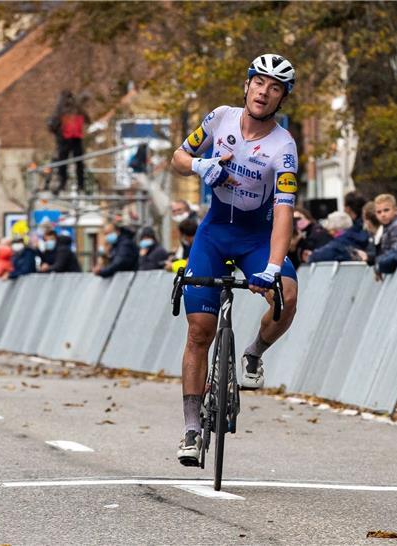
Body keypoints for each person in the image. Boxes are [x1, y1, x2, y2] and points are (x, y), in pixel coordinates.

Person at [169, 53, 300, 466]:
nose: (264, 91)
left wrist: (274, 267)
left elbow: (283, 211)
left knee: (289, 295)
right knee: (199, 332)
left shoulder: (284, 146)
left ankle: (255, 351)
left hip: (255, 238)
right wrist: (200, 165)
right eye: (259, 82)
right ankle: (191, 428)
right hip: (213, 235)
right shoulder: (219, 118)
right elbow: (176, 158)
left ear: (282, 98)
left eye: (275, 87)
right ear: (247, 85)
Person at [306, 191, 372, 263]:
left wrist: (311, 256)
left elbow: (332, 249)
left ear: (348, 208)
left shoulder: (352, 234)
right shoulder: (365, 229)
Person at [48, 90, 89, 193]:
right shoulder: (71, 109)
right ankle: (74, 184)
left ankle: (74, 184)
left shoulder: (67, 109)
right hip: (68, 139)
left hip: (71, 139)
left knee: (70, 163)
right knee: (69, 163)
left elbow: (52, 125)